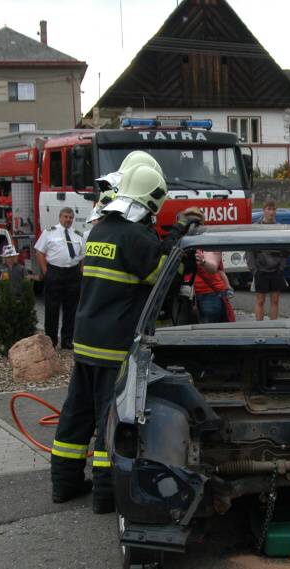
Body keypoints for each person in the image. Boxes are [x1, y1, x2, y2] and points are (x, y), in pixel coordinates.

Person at [50, 164, 201, 512]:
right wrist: (178, 232)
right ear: (151, 202)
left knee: (77, 413)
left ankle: (64, 482)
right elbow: (164, 276)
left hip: (86, 339)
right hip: (113, 344)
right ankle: (106, 494)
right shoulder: (135, 238)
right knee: (110, 418)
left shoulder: (101, 231)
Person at [34, 206, 85, 349]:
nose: (68, 220)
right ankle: (51, 340)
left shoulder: (77, 235)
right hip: (54, 273)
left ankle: (67, 340)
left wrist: (81, 270)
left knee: (71, 309)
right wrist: (46, 271)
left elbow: (83, 255)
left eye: (70, 218)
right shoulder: (49, 233)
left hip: (73, 274)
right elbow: (39, 252)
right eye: (66, 217)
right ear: (60, 217)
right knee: (52, 308)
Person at [246, 199, 286, 320]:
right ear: (263, 210)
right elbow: (249, 251)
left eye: (273, 209)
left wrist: (281, 268)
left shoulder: (280, 228)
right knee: (260, 300)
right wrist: (254, 270)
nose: (271, 212)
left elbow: (285, 250)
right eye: (269, 209)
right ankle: (260, 327)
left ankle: (274, 327)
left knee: (275, 300)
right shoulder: (255, 228)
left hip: (276, 270)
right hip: (260, 270)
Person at [193, 249, 230, 323]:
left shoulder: (209, 245)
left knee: (209, 329)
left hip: (210, 294)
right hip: (192, 294)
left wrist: (203, 262)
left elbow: (213, 268)